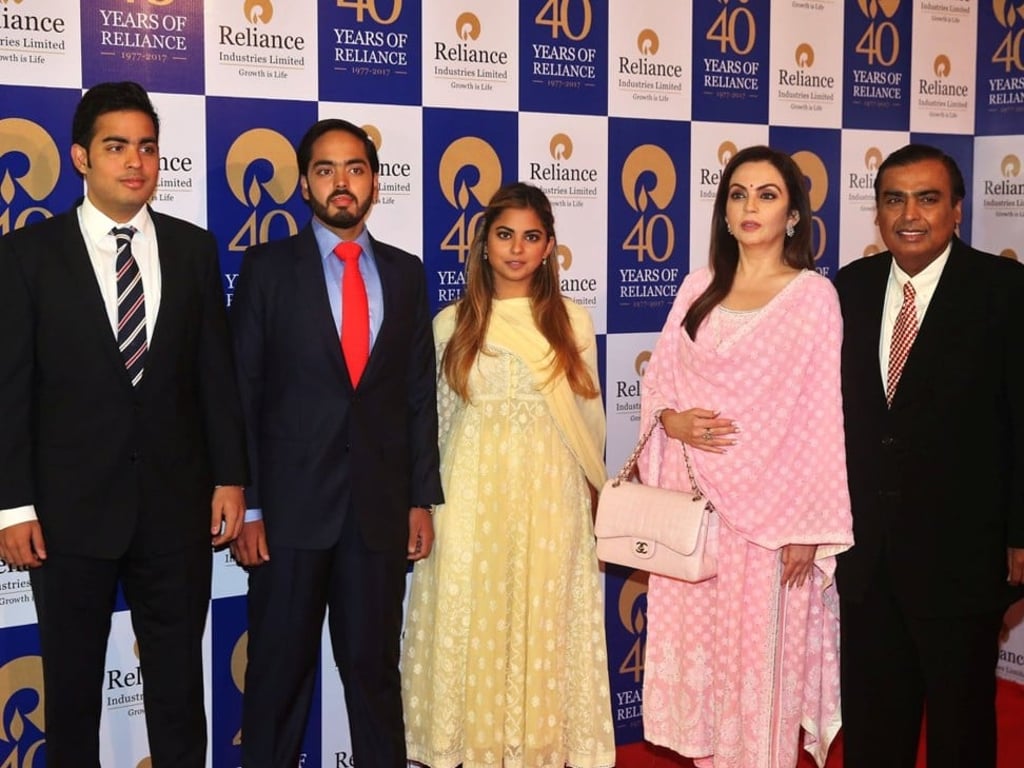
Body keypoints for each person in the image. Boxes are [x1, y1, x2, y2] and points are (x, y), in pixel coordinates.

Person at [0, 81, 248, 767]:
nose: (135, 161)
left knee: (176, 691)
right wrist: (12, 506)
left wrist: (231, 478)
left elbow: (215, 379)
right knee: (72, 693)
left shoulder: (194, 250)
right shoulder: (26, 256)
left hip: (176, 513)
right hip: (66, 516)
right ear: (81, 156)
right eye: (116, 146)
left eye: (147, 146)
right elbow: (10, 391)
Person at [230, 118, 442, 768]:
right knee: (276, 682)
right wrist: (251, 506)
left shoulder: (406, 275)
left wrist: (418, 500)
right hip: (288, 518)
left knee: (375, 679)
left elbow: (416, 397)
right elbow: (244, 393)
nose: (341, 183)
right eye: (325, 169)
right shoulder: (267, 269)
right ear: (304, 185)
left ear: (374, 182)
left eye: (354, 169)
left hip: (377, 516)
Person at [638, 145, 853, 768]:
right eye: (737, 194)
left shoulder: (813, 296)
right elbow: (660, 382)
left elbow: (820, 413)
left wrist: (808, 528)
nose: (749, 205)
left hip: (774, 522)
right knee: (704, 674)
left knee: (761, 673)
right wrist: (671, 420)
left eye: (766, 194)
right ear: (724, 213)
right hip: (696, 512)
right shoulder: (698, 286)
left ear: (793, 215)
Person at [401, 182, 615, 768]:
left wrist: (597, 500)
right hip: (470, 496)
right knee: (473, 623)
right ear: (484, 244)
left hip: (552, 500)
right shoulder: (451, 324)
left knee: (542, 624)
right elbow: (439, 426)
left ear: (549, 247)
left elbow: (588, 423)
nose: (516, 249)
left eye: (530, 236)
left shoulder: (572, 321)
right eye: (504, 235)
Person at [834, 143, 1024, 768]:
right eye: (894, 199)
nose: (909, 213)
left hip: (963, 558)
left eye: (927, 198)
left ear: (958, 210)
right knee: (872, 726)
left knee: (961, 727)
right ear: (878, 213)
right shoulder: (848, 289)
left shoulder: (1006, 290)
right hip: (865, 560)